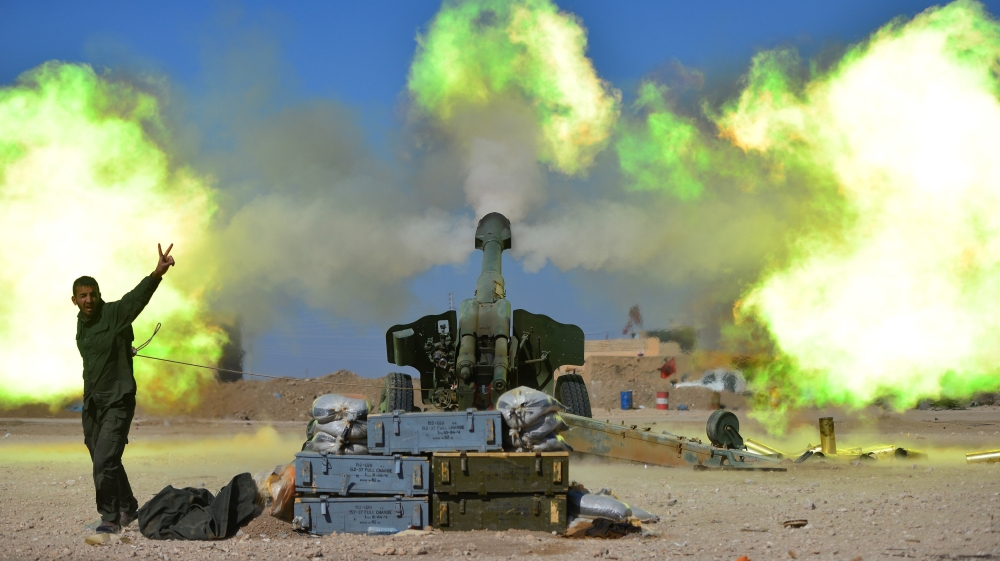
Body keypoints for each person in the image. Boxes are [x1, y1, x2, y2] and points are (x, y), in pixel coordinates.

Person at [72, 243, 175, 534]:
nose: (89, 300)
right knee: (103, 456)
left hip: (117, 401)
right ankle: (128, 507)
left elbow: (136, 299)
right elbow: (96, 358)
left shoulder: (113, 314)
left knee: (105, 460)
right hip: (94, 403)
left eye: (93, 294)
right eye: (83, 296)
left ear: (99, 295)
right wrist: (122, 347)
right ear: (75, 300)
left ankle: (110, 519)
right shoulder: (81, 325)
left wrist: (157, 273)